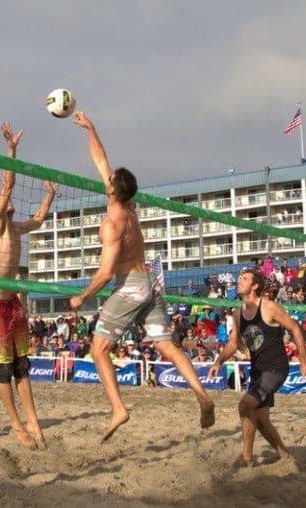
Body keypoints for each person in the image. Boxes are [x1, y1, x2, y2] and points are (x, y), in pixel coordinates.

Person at [69, 111, 214, 441]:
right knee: (166, 345)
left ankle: (119, 409)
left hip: (130, 287)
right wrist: (91, 129)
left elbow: (105, 273)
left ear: (111, 190)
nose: (105, 179)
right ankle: (202, 394)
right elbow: (102, 161)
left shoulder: (112, 224)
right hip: (149, 282)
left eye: (108, 181)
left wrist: (82, 296)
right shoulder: (130, 208)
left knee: (98, 350)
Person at [0, 122, 57, 449]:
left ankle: (34, 422)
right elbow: (7, 186)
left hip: (13, 302)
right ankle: (15, 423)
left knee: (23, 366)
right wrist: (12, 150)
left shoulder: (13, 227)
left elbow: (38, 220)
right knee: (5, 369)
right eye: (1, 201)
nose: (7, 201)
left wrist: (50, 194)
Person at [208, 269, 306, 468]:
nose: (239, 281)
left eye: (244, 279)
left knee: (245, 406)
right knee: (262, 421)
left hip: (275, 368)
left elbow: (296, 329)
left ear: (255, 286)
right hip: (257, 370)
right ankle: (286, 457)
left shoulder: (269, 307)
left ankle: (246, 457)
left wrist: (304, 361)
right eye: (239, 278)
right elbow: (232, 344)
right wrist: (218, 362)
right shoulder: (238, 313)